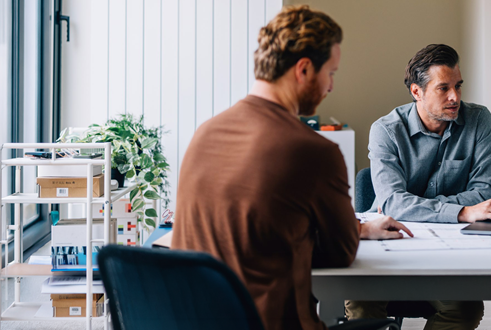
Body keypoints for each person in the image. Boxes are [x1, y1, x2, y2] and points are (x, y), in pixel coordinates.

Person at [172, 5, 411, 330]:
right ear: (303, 69)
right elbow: (340, 253)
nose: (331, 86)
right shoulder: (314, 151)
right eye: (331, 73)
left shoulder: (205, 133)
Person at [347, 44, 491, 330]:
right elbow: (394, 203)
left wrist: (426, 207)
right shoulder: (385, 130)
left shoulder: (479, 120)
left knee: (465, 309)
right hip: (391, 241)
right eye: (443, 88)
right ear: (416, 92)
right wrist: (462, 211)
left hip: (451, 248)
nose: (455, 97)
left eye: (458, 86)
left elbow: (485, 193)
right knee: (362, 305)